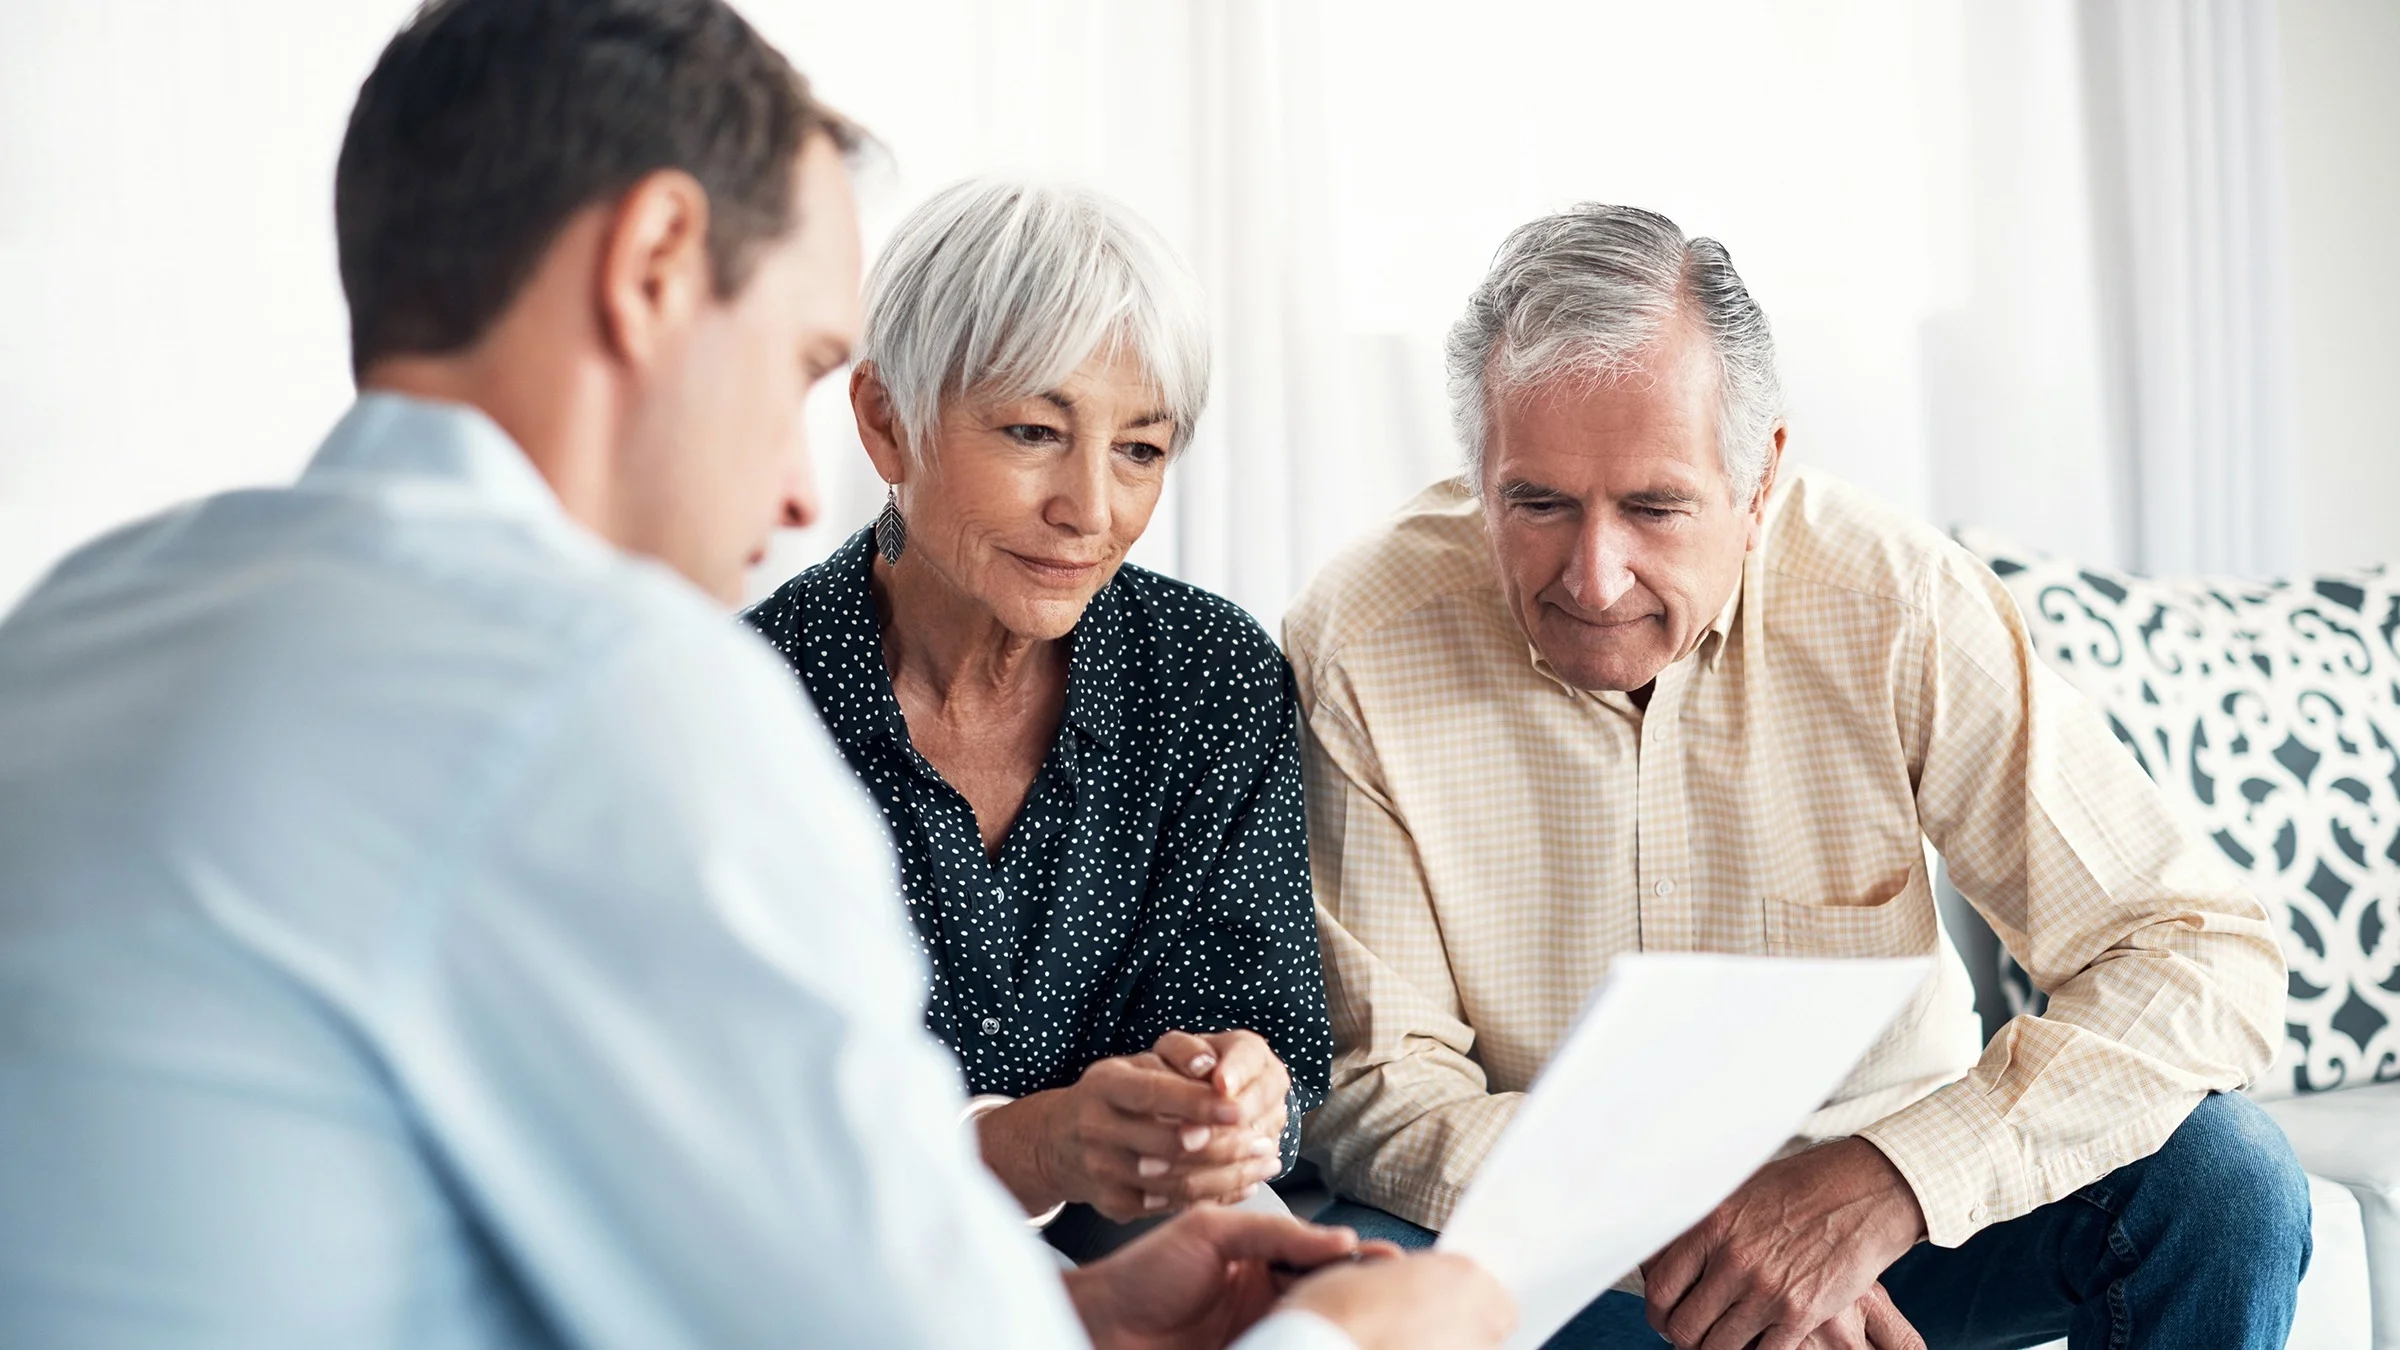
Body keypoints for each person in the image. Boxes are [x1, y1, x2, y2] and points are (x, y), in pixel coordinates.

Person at [0, 2, 1511, 1347]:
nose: (800, 496)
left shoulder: (85, 618)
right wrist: (1374, 1335)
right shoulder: (605, 690)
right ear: (655, 264)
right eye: (797, 367)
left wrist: (1069, 1309)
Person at [1284, 203, 2308, 1350]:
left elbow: (2199, 951)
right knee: (1367, 1287)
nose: (1595, 574)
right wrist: (1707, 1240)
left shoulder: (1895, 601)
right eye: (1538, 504)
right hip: (1575, 1254)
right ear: (1480, 475)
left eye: (1656, 508)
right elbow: (1383, 1092)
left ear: (1760, 479)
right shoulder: (1362, 638)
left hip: (1891, 1227)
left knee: (2226, 1182)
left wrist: (1888, 1186)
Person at [743, 179, 1329, 1256]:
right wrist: (1034, 1145)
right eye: (1032, 431)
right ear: (886, 421)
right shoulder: (743, 704)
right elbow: (742, 1135)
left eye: (1140, 450)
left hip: (1151, 1240)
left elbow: (1267, 1024)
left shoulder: (1211, 675)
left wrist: (1238, 1095)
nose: (1091, 511)